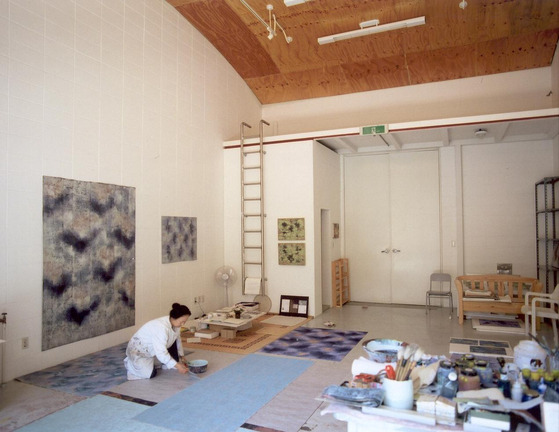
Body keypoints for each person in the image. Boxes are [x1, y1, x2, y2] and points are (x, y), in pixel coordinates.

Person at [124, 303, 191, 380]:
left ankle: (160, 361)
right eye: (181, 321)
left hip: (155, 347)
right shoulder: (161, 328)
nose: (182, 324)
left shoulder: (175, 324)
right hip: (138, 351)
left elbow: (177, 340)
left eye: (184, 322)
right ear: (174, 318)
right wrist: (178, 366)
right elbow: (161, 352)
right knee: (151, 374)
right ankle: (130, 365)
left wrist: (182, 356)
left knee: (173, 362)